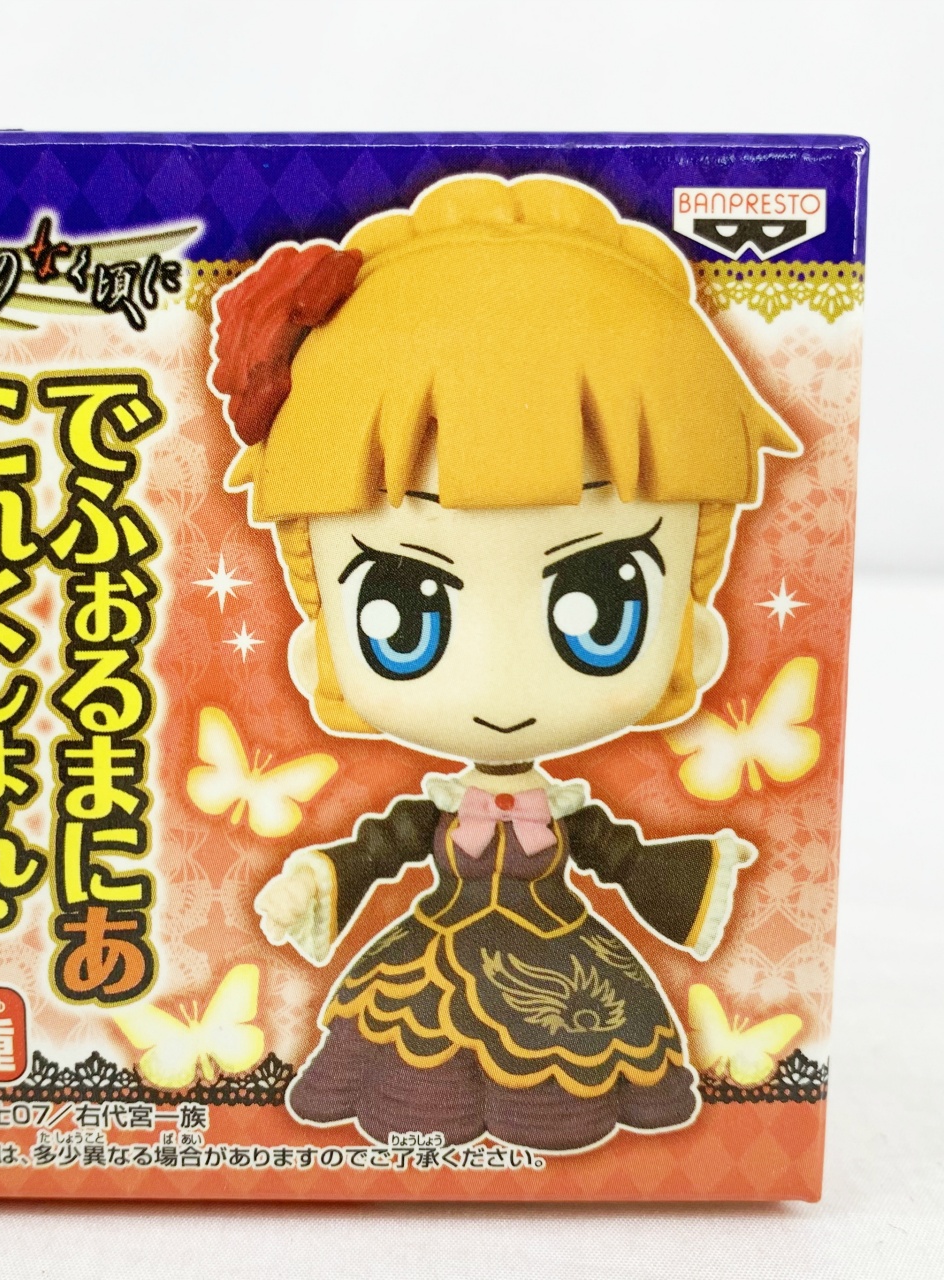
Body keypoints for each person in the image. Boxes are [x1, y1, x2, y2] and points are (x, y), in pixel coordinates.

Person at [207, 173, 797, 1152]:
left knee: (573, 1053)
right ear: (321, 642)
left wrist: (700, 870)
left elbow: (618, 858)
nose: (497, 683)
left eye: (602, 604)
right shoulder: (436, 810)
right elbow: (379, 848)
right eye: (403, 612)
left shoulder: (563, 815)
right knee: (412, 1057)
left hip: (564, 976)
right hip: (434, 963)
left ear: (691, 630)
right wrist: (314, 880)